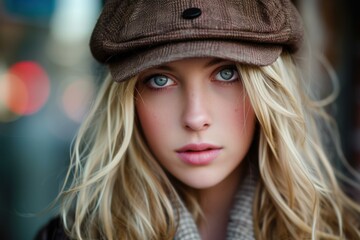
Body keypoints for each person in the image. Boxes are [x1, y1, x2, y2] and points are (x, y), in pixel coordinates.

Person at [36, 0, 360, 239]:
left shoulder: (342, 230)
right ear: (126, 102)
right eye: (160, 80)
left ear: (270, 89)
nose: (195, 118)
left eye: (226, 73)